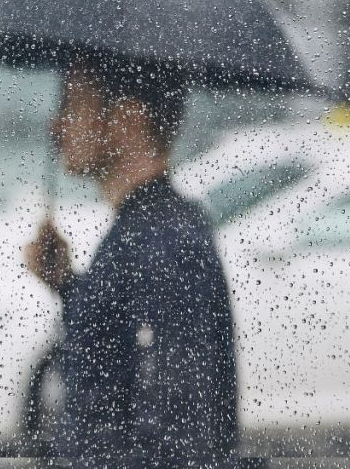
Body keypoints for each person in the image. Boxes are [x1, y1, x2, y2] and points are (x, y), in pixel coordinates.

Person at [25, 58, 241, 466]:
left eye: (73, 106)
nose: (55, 127)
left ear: (126, 119)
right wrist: (68, 285)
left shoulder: (161, 241)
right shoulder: (149, 228)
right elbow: (117, 363)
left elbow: (177, 421)